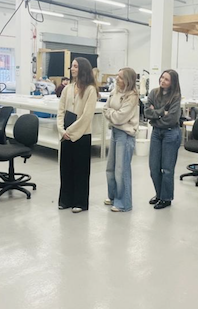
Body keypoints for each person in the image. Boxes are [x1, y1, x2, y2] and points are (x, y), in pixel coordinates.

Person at [57, 58, 98, 213]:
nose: (72, 69)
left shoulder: (90, 90)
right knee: (66, 168)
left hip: (82, 135)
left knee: (81, 170)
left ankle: (80, 202)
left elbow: (87, 116)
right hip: (65, 134)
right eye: (72, 66)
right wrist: (61, 130)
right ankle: (66, 199)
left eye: (75, 66)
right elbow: (60, 110)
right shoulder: (68, 88)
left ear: (82, 69)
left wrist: (71, 132)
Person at [103, 67, 139, 212]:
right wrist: (113, 113)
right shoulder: (115, 91)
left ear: (128, 80)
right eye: (117, 76)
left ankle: (123, 203)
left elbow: (120, 117)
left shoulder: (132, 96)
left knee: (121, 170)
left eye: (120, 77)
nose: (117, 79)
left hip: (125, 134)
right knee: (110, 168)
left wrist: (111, 114)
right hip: (115, 131)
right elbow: (105, 108)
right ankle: (113, 196)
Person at [145, 69, 182, 210]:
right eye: (162, 77)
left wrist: (155, 118)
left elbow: (171, 118)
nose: (162, 81)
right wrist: (161, 113)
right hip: (156, 133)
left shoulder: (176, 96)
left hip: (171, 133)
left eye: (166, 79)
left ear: (173, 82)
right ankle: (159, 194)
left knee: (167, 168)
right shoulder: (154, 93)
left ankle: (166, 198)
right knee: (154, 167)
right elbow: (146, 112)